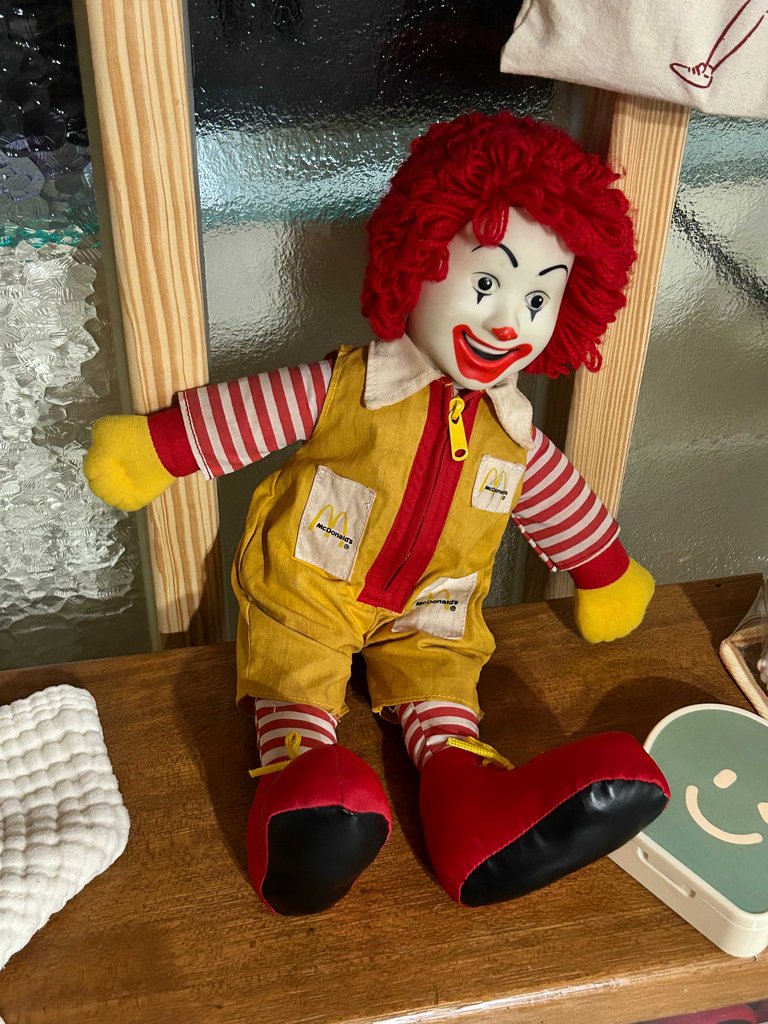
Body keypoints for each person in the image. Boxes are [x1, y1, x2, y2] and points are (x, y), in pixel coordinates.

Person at [85, 112, 669, 916]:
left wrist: (603, 571)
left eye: (539, 297)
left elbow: (559, 503)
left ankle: (473, 811)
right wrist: (159, 449)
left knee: (443, 686)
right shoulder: (351, 387)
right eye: (487, 283)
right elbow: (251, 413)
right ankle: (302, 806)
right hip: (310, 593)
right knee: (296, 675)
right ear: (417, 255)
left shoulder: (512, 432)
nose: (508, 321)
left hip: (435, 611)